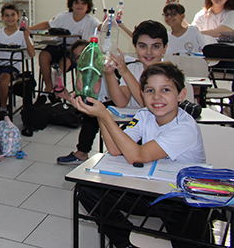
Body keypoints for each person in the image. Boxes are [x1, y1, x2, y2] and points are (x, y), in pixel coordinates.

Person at [74, 63, 208, 248]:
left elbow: (138, 156)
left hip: (183, 198)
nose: (157, 96)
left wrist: (105, 116)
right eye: (150, 90)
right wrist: (101, 115)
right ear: (142, 94)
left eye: (166, 90)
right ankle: (125, 243)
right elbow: (115, 149)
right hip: (152, 190)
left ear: (181, 95)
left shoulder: (185, 127)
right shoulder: (144, 114)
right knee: (88, 191)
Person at [29, 0, 100, 97]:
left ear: (88, 7)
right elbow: (48, 24)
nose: (79, 6)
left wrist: (109, 23)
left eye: (83, 3)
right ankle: (48, 86)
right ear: (71, 5)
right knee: (43, 55)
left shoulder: (91, 21)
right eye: (76, 3)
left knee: (64, 62)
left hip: (74, 51)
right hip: (59, 46)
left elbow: (101, 27)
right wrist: (29, 29)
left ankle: (58, 87)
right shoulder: (63, 16)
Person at [0, 3, 35, 119]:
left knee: (3, 79)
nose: (10, 18)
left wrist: (26, 37)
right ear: (2, 17)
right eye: (7, 15)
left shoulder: (22, 33)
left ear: (18, 16)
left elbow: (32, 54)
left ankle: (3, 108)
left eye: (13, 15)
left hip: (11, 67)